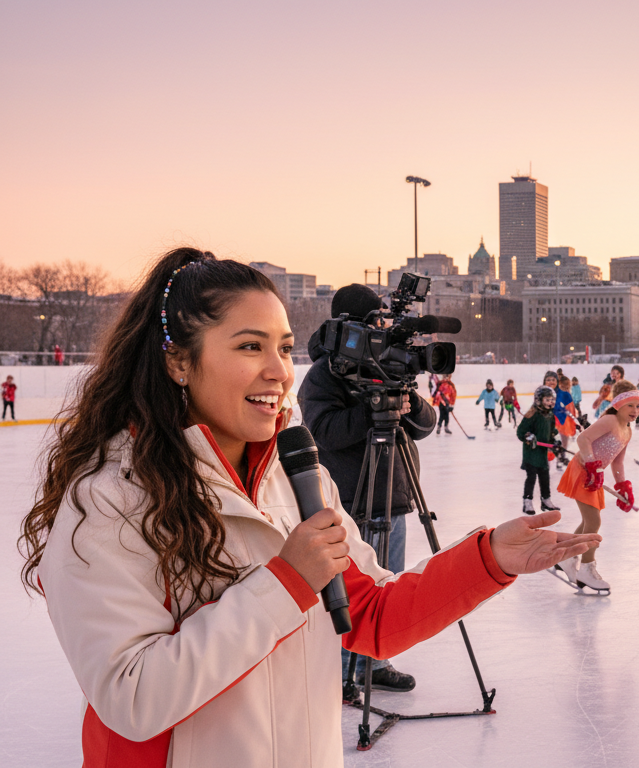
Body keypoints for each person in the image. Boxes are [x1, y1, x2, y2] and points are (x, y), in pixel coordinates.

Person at [20, 249, 597, 766]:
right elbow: (131, 698)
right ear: (178, 361)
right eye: (250, 346)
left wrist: (489, 558)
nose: (279, 370)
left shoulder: (296, 474)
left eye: (284, 347)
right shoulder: (110, 497)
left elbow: (371, 615)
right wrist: (287, 581)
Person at [300, 283, 441, 694]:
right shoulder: (324, 374)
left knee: (386, 584)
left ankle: (375, 663)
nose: (380, 330)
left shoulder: (387, 363)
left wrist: (408, 403)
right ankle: (343, 668)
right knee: (348, 590)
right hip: (349, 500)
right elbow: (324, 431)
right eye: (374, 322)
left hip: (393, 495)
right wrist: (370, 410)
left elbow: (425, 426)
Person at [553, 380, 639, 593]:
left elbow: (617, 463)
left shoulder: (627, 431)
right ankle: (586, 569)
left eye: (638, 406)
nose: (635, 410)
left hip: (594, 474)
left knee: (587, 521)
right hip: (583, 471)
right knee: (593, 521)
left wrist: (622, 487)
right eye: (630, 405)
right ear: (618, 404)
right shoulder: (610, 420)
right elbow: (583, 439)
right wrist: (591, 464)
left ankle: (566, 557)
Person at [518, 386, 562, 514]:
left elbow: (552, 431)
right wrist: (528, 437)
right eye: (547, 400)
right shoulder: (532, 414)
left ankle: (546, 500)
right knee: (531, 477)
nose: (551, 402)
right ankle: (527, 502)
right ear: (539, 400)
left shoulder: (550, 415)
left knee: (545, 477)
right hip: (531, 453)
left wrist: (555, 441)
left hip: (542, 453)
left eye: (552, 400)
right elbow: (521, 431)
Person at [554, 375, 578, 465]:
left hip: (564, 421)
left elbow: (571, 409)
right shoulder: (559, 394)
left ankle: (561, 456)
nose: (566, 389)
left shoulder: (567, 395)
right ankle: (560, 456)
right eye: (564, 387)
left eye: (567, 387)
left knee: (564, 439)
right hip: (559, 421)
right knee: (560, 439)